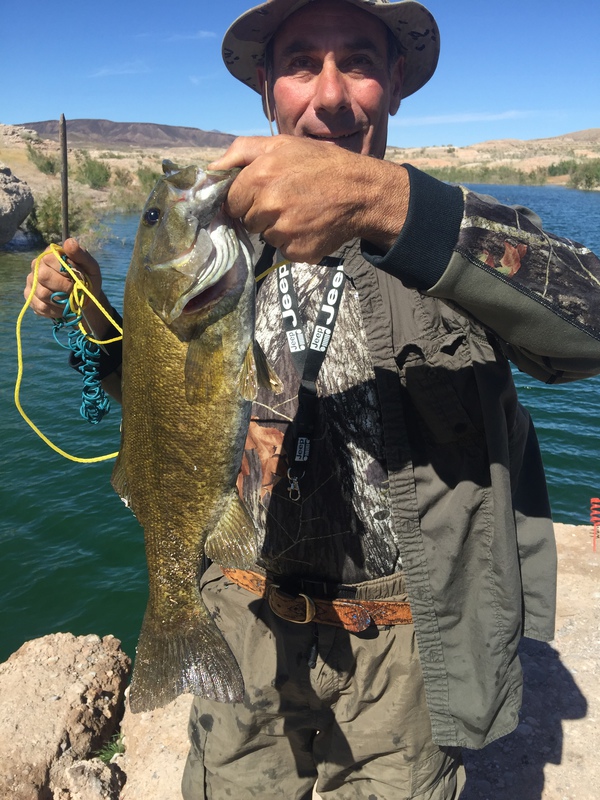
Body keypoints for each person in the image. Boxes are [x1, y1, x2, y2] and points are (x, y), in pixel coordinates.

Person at [25, 1, 600, 798]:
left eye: (358, 61)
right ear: (266, 88)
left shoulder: (460, 235)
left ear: (396, 82)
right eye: (301, 64)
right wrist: (92, 310)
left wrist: (384, 204)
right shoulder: (222, 245)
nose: (329, 96)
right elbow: (169, 410)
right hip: (244, 636)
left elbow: (588, 331)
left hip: (411, 661)